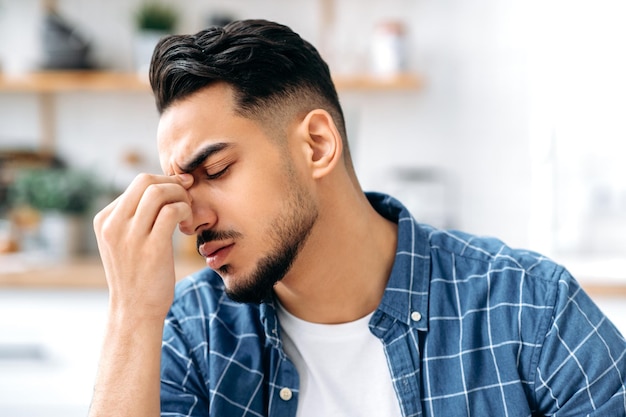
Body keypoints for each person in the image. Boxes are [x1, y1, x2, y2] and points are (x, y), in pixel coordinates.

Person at [88, 19, 626, 417]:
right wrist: (131, 316)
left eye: (218, 169)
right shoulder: (193, 331)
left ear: (317, 144)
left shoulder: (530, 310)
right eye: (179, 188)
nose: (190, 219)